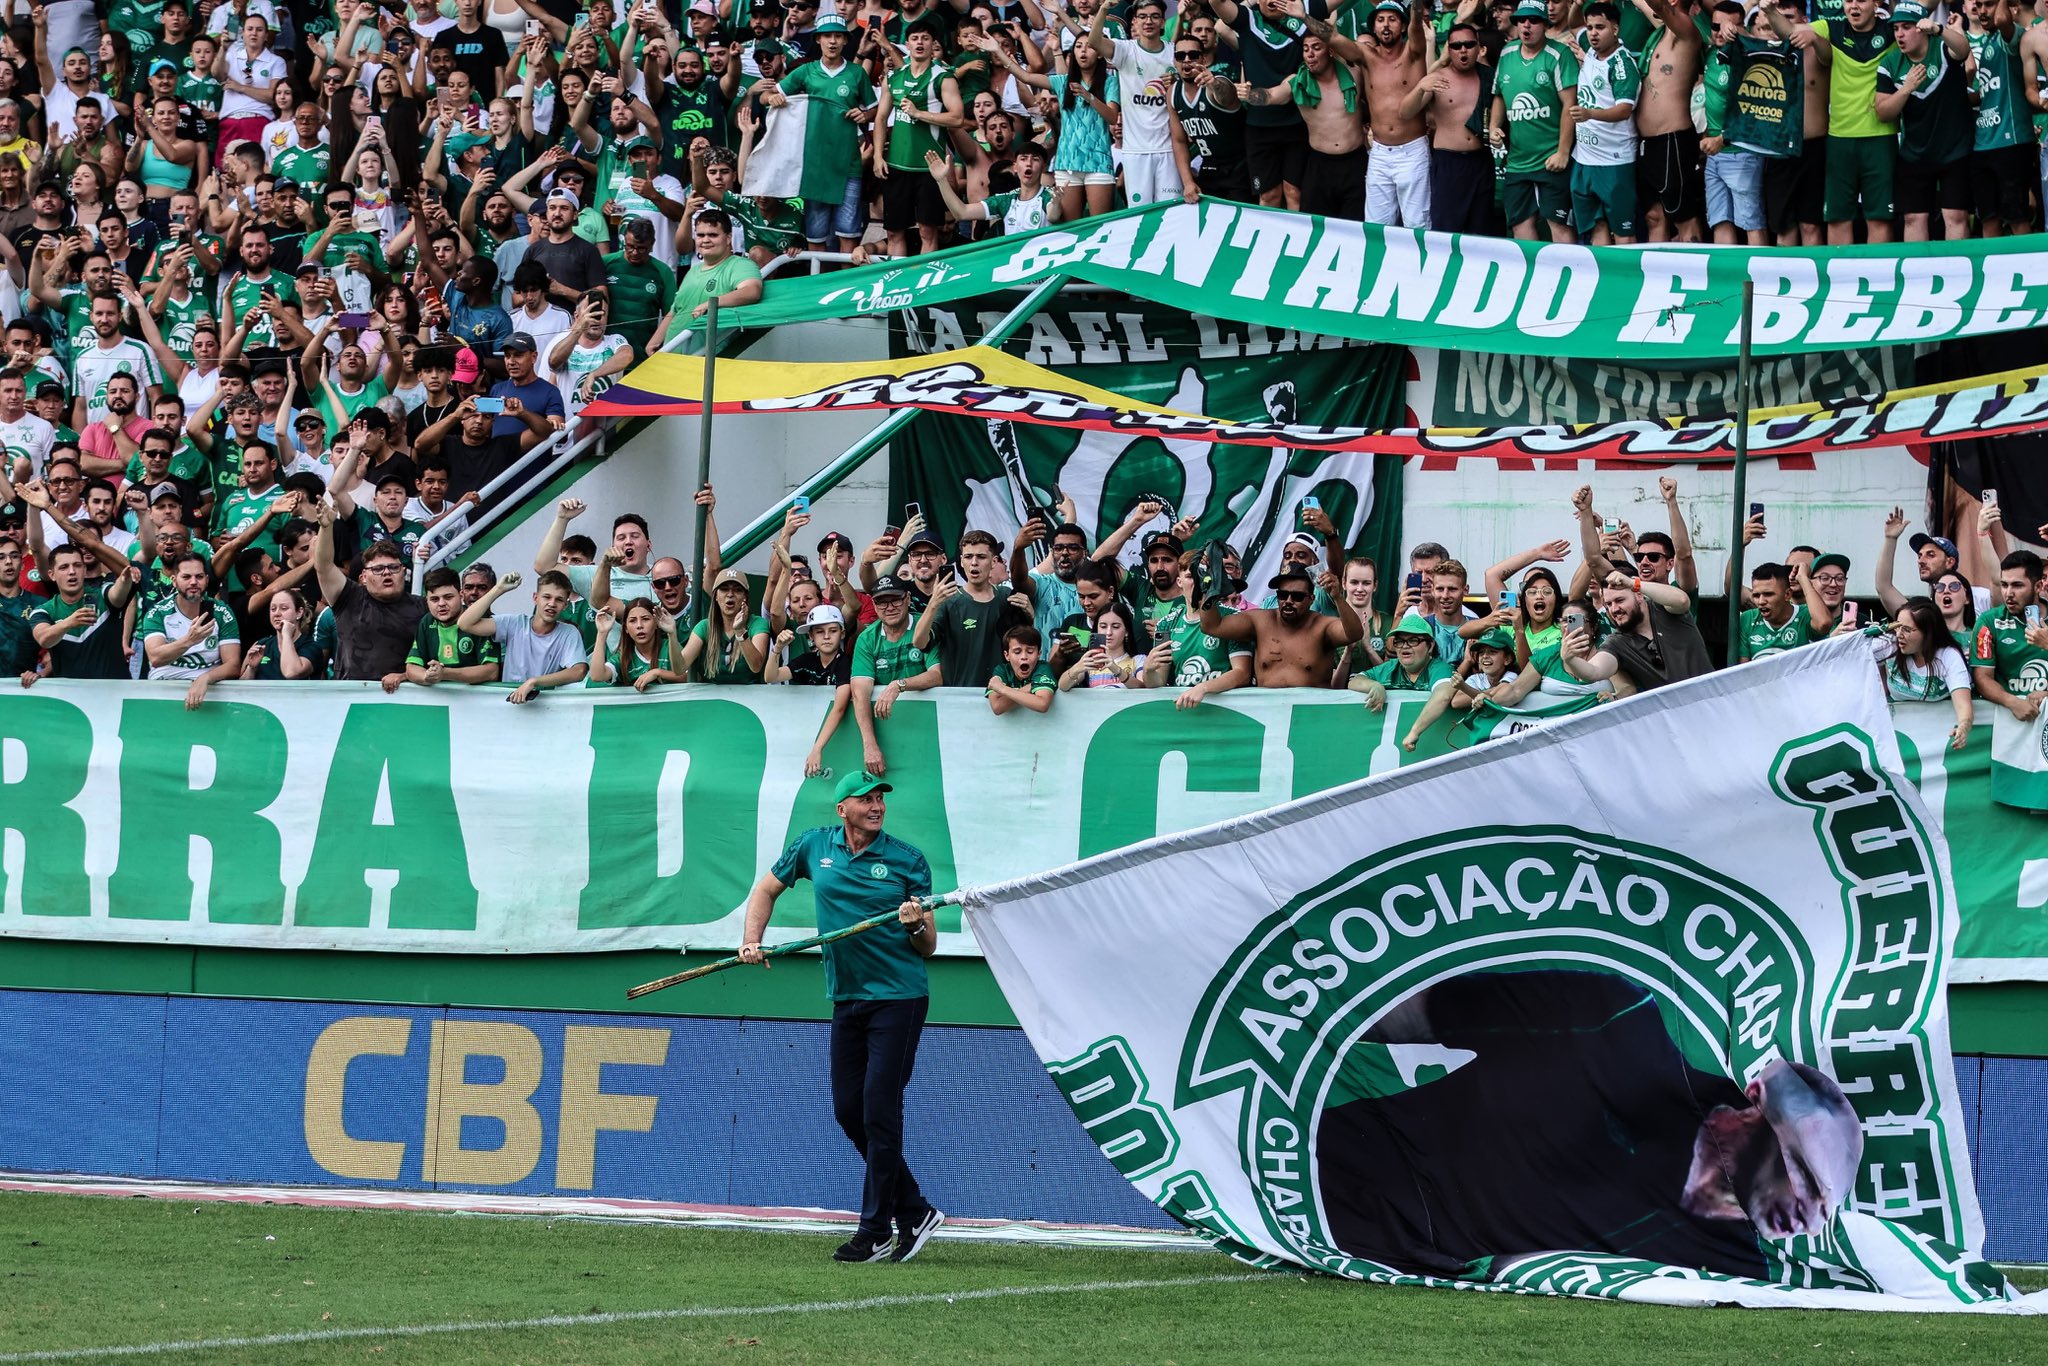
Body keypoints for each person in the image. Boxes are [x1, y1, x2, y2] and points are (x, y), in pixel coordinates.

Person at [1315, 969, 1862, 1279]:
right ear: (1753, 1105)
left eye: (1819, 1204)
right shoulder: (1611, 1021)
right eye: (1799, 1174)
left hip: (1403, 1274)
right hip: (1319, 1176)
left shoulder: (1732, 1270)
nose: (1805, 1214)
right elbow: (1386, 1014)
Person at [741, 770, 947, 1264]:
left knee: (879, 1110)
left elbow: (929, 947)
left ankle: (876, 1230)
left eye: (880, 799)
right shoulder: (814, 847)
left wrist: (916, 924)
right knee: (848, 1111)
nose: (876, 806)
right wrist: (751, 940)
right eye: (866, 799)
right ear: (842, 809)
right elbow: (765, 890)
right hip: (846, 997)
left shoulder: (907, 861)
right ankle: (914, 1210)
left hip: (898, 999)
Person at [311, 500, 424, 691]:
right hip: (352, 699)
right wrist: (326, 527)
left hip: (405, 699)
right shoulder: (349, 598)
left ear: (404, 572)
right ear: (363, 577)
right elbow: (323, 566)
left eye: (394, 567)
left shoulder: (424, 607)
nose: (387, 573)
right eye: (378, 569)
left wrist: (406, 676)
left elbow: (435, 659)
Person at [1491, 0, 1578, 242]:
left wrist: (1562, 151)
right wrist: (1493, 127)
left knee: (1558, 225)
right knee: (1520, 227)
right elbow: (1499, 94)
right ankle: (1535, 279)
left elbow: (1571, 105)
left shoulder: (1559, 55)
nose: (1526, 25)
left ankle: (1570, 277)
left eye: (1534, 20)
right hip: (1518, 162)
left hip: (1550, 159)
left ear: (1545, 25)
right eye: (1521, 20)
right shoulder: (1507, 53)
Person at [1200, 567, 1362, 688]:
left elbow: (1354, 633)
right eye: (1282, 595)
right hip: (1268, 718)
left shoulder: (1322, 626)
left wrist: (1337, 597)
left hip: (1310, 717)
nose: (1288, 601)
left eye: (1297, 596)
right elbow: (1212, 626)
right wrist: (1209, 588)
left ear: (1311, 599)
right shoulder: (1259, 620)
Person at [1403, 21, 1493, 236]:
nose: (1463, 50)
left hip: (1481, 160)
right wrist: (1419, 88)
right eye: (1456, 46)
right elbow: (1405, 113)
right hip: (1449, 164)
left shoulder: (1489, 76)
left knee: (1481, 230)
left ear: (1479, 47)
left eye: (1469, 45)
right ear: (1448, 49)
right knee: (1445, 230)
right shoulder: (1438, 79)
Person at [850, 573, 941, 777]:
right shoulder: (867, 639)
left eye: (895, 599)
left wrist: (898, 685)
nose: (889, 607)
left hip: (928, 727)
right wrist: (870, 745)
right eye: (881, 602)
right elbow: (860, 694)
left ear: (908, 598)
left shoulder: (924, 625)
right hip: (888, 730)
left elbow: (937, 675)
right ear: (873, 605)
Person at [1561, 571, 1713, 691]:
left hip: (1712, 700)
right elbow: (1594, 672)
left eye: (1620, 600)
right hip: (1672, 717)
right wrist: (1570, 659)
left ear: (1639, 596)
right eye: (1608, 604)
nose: (1614, 609)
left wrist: (1634, 583)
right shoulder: (1617, 643)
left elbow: (1682, 600)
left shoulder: (1664, 609)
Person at [456, 568, 591, 702]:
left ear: (565, 605)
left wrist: (534, 682)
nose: (552, 604)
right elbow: (465, 623)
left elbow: (579, 671)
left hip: (545, 707)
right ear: (535, 598)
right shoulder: (514, 623)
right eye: (547, 597)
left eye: (559, 600)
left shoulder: (569, 632)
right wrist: (499, 589)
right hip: (508, 704)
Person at [913, 529, 1015, 688]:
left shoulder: (1006, 597)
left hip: (1000, 696)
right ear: (961, 561)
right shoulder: (948, 601)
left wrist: (1030, 616)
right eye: (968, 557)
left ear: (994, 561)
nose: (974, 562)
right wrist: (933, 603)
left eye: (981, 557)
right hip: (959, 699)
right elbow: (919, 642)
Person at [140, 547, 241, 707]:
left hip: (209, 693)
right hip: (164, 690)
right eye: (186, 577)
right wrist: (190, 640)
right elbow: (156, 658)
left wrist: (204, 679)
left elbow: (233, 665)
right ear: (174, 580)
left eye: (199, 576)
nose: (193, 582)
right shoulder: (158, 612)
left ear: (207, 580)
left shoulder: (222, 612)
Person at [1877, 596, 1972, 749]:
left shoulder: (1948, 656)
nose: (1899, 634)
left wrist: (1963, 727)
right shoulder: (1888, 645)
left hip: (1937, 738)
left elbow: (1963, 705)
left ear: (1928, 633)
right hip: (1895, 735)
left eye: (1907, 630)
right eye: (1897, 626)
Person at [1970, 550, 2048, 722]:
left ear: (2039, 586)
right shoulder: (1989, 621)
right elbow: (1982, 677)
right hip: (2007, 720)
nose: (2008, 593)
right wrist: (2012, 702)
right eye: (2004, 585)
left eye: (2017, 585)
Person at [404, 566, 502, 687]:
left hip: (475, 702)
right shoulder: (427, 622)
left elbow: (491, 672)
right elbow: (412, 667)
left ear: (461, 595)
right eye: (434, 599)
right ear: (427, 601)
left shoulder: (480, 621)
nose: (441, 604)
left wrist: (444, 673)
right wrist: (428, 676)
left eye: (448, 597)